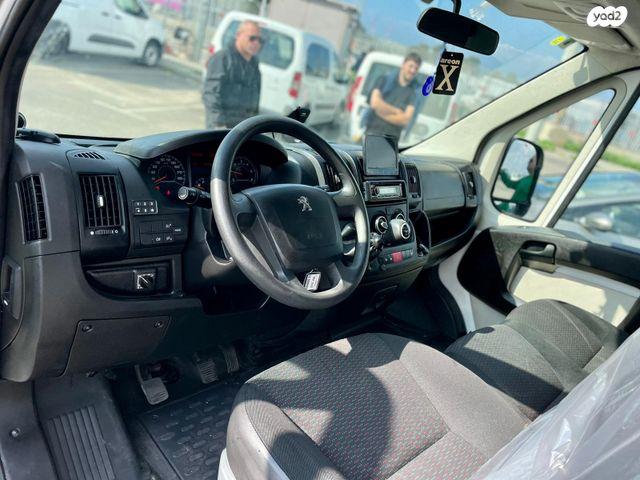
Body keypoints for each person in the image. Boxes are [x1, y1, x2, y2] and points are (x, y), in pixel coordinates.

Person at [202, 20, 263, 129]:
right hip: (222, 128)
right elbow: (210, 93)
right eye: (252, 38)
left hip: (244, 129)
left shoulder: (254, 64)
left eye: (259, 40)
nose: (256, 43)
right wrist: (218, 124)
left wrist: (254, 127)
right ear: (238, 35)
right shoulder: (222, 58)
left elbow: (255, 100)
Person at [365, 52, 422, 140]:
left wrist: (382, 112)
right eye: (411, 66)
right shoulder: (384, 80)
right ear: (403, 64)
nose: (413, 71)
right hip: (372, 133)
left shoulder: (414, 92)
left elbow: (405, 120)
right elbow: (375, 103)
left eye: (416, 68)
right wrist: (396, 111)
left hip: (392, 140)